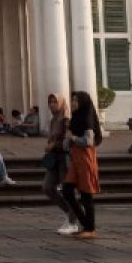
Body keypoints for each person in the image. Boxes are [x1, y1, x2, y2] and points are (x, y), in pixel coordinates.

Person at [62, 91, 102, 240]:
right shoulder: (75, 119)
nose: (73, 103)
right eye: (72, 100)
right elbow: (68, 142)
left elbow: (89, 141)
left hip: (85, 158)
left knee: (86, 194)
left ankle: (90, 228)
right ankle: (85, 223)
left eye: (76, 101)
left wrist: (72, 137)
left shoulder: (86, 119)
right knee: (67, 190)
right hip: (75, 158)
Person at [43, 93, 75, 235]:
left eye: (55, 102)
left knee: (67, 190)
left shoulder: (66, 118)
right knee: (48, 187)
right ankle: (70, 213)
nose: (52, 104)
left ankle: (73, 222)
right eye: (50, 102)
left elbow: (68, 139)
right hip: (54, 158)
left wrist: (55, 144)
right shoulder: (53, 119)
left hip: (64, 158)